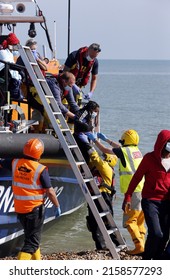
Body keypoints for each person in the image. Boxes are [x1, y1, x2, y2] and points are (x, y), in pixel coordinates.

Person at [0, 138, 61, 260]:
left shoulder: (15, 163)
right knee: (31, 244)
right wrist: (57, 206)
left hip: (20, 209)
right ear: (40, 153)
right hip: (34, 210)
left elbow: (1, 162)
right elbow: (50, 191)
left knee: (32, 238)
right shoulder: (40, 170)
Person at [87, 129, 146, 255]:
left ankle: (138, 246)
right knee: (140, 220)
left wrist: (95, 141)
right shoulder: (136, 151)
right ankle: (143, 245)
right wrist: (106, 139)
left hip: (133, 191)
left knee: (130, 221)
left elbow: (105, 150)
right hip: (142, 189)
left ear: (125, 140)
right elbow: (119, 148)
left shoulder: (124, 151)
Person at [122, 129, 170, 260]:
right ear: (162, 143)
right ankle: (147, 259)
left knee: (165, 235)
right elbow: (137, 177)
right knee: (156, 233)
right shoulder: (149, 158)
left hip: (167, 202)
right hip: (151, 201)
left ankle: (158, 260)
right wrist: (128, 196)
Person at [86, 145, 119, 250]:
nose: (102, 157)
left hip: (102, 198)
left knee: (103, 224)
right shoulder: (101, 169)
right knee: (95, 224)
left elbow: (96, 159)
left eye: (104, 156)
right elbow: (92, 162)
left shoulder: (105, 168)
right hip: (98, 197)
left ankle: (115, 244)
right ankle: (103, 246)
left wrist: (89, 147)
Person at [0, 33, 23, 102]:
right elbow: (9, 64)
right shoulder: (3, 52)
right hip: (3, 76)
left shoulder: (10, 54)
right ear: (10, 45)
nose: (16, 47)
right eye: (14, 45)